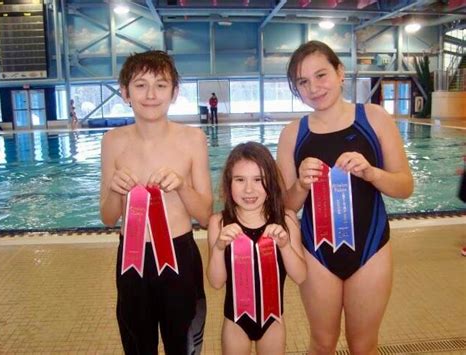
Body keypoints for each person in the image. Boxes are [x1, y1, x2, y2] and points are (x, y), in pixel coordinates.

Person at [277, 40, 413, 354]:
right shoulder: (292, 134)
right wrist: (300, 184)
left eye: (321, 75)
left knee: (363, 345)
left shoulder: (375, 119)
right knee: (322, 343)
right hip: (316, 253)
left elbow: (405, 187)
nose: (314, 87)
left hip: (371, 250)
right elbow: (284, 205)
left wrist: (371, 173)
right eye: (303, 81)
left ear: (340, 73)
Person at [100, 50, 213, 355]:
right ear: (125, 92)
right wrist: (114, 191)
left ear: (174, 93)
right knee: (137, 346)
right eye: (140, 85)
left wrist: (183, 186)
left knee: (184, 346)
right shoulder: (112, 141)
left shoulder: (193, 139)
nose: (151, 94)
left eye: (161, 85)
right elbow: (108, 217)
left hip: (180, 256)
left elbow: (205, 214)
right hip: (132, 259)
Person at [207, 142, 306, 355]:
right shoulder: (219, 223)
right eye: (240, 180)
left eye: (258, 180)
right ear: (228, 183)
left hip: (273, 320)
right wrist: (218, 248)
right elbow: (215, 283)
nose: (249, 189)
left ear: (270, 182)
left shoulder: (286, 219)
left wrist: (286, 245)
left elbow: (300, 276)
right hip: (235, 322)